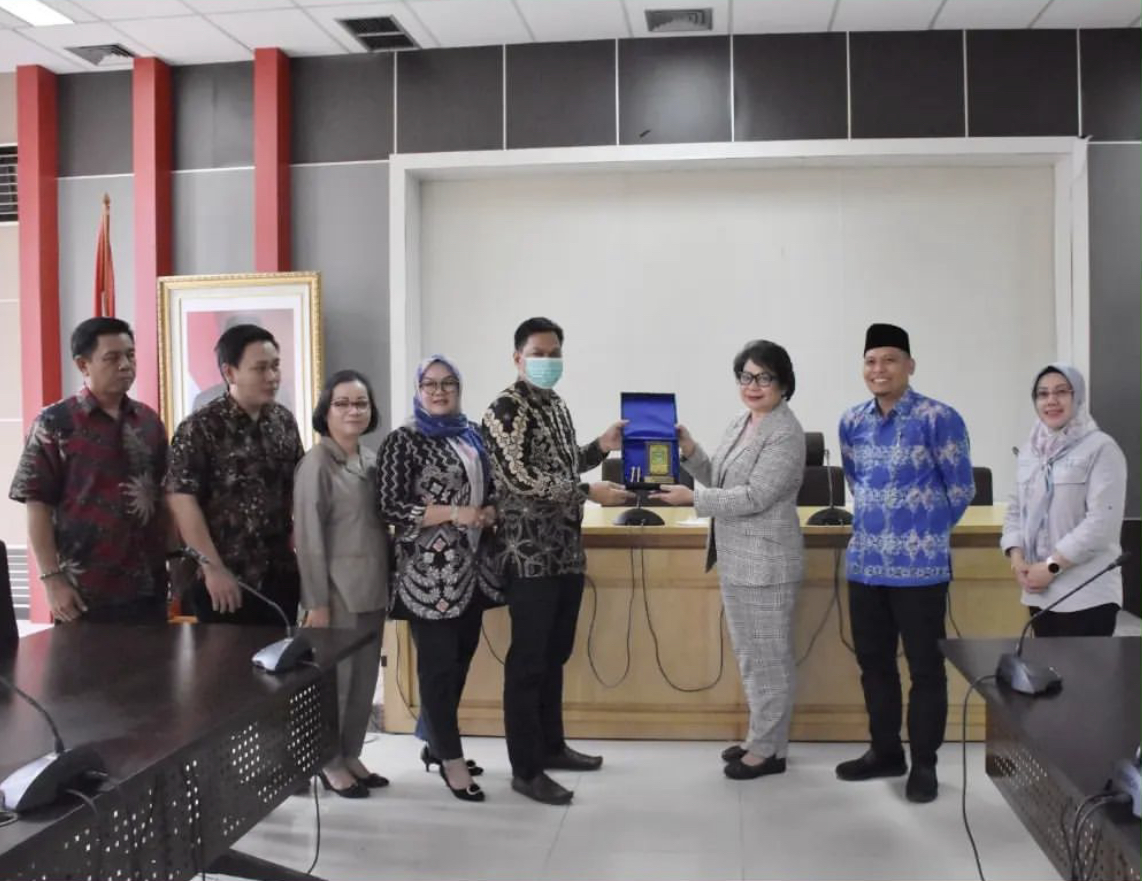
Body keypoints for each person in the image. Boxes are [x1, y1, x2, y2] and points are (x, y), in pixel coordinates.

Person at [482, 317, 631, 806]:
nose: (547, 362)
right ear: (517, 357)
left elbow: (562, 466)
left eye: (554, 354)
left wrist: (599, 448)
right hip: (528, 556)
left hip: (565, 551)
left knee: (554, 656)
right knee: (528, 663)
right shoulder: (506, 408)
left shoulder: (556, 405)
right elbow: (519, 478)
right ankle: (526, 769)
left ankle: (551, 746)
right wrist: (588, 490)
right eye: (538, 354)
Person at [653, 340, 806, 781]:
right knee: (752, 657)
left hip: (767, 564)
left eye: (764, 377)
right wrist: (690, 451)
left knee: (769, 659)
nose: (753, 385)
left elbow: (755, 496)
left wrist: (693, 499)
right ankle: (763, 738)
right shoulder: (743, 422)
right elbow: (719, 477)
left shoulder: (785, 431)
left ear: (783, 383)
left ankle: (768, 751)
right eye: (746, 377)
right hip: (738, 559)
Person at [835, 323, 974, 804]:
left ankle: (925, 765)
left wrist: (922, 534)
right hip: (866, 566)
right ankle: (886, 752)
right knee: (874, 664)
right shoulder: (852, 421)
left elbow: (961, 488)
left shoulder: (939, 418)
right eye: (871, 361)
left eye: (890, 360)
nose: (879, 369)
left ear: (909, 365)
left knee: (925, 670)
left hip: (920, 571)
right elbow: (857, 481)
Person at [377, 355, 503, 803]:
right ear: (418, 389)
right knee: (437, 669)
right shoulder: (404, 441)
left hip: (473, 570)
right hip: (429, 578)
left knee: (461, 660)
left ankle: (435, 742)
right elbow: (390, 507)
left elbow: (491, 489)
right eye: (430, 384)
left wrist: (489, 510)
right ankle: (451, 758)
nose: (439, 391)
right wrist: (453, 513)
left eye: (448, 383)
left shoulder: (473, 435)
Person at [10, 317, 170, 623]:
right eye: (112, 358)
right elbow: (37, 505)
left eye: (130, 355)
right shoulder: (55, 423)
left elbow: (165, 498)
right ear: (83, 365)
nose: (125, 365)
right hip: (84, 591)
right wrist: (51, 580)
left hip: (148, 586)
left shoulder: (149, 421)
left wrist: (176, 563)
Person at [165, 324, 303, 625]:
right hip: (224, 578)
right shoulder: (200, 428)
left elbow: (296, 490)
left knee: (280, 653)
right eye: (260, 368)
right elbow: (181, 500)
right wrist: (212, 568)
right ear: (230, 373)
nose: (272, 376)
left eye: (275, 366)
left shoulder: (283, 422)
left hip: (279, 574)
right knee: (226, 656)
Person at [294, 370, 390, 798]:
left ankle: (351, 753)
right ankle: (328, 761)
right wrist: (316, 601)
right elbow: (308, 537)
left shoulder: (370, 460)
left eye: (361, 403)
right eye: (343, 403)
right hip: (333, 595)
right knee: (335, 685)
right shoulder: (316, 463)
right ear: (326, 411)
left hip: (371, 588)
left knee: (364, 682)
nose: (354, 411)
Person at [1001, 364, 1126, 637]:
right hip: (1039, 593)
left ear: (1077, 396)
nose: (1051, 401)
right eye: (1043, 394)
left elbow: (1101, 525)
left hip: (1086, 592)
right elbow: (1015, 511)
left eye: (1061, 392)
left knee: (1084, 667)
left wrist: (1052, 567)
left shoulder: (1101, 448)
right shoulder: (1030, 452)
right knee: (1046, 665)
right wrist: (1017, 559)